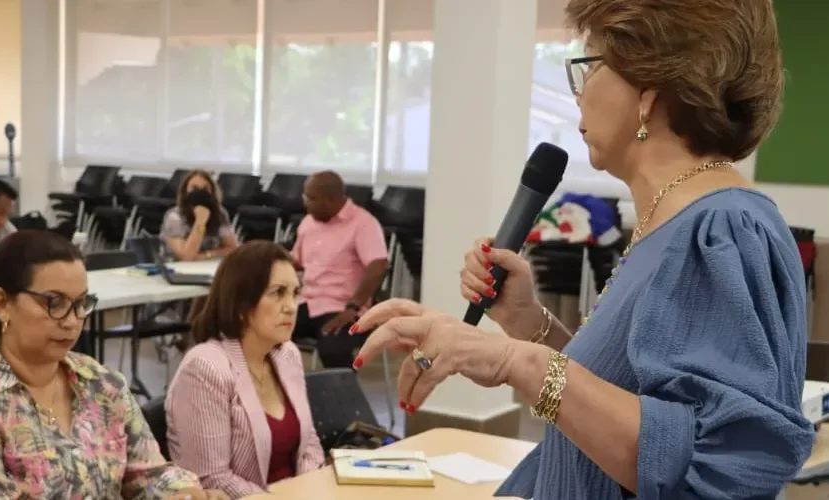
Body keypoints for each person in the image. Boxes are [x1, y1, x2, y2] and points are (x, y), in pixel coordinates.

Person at [348, 1, 815, 498]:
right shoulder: (672, 219)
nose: (578, 95)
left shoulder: (722, 230)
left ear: (647, 93)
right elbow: (632, 404)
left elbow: (714, 465)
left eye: (589, 65)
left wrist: (515, 362)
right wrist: (529, 324)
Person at [0, 230, 224, 499]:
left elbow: (149, 473)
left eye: (81, 303)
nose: (72, 321)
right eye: (55, 303)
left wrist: (184, 493)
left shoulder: (101, 383)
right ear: (2, 304)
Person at [166, 240, 325, 498]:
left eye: (294, 293)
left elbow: (309, 446)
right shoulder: (205, 369)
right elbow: (211, 478)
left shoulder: (287, 355)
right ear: (241, 304)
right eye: (277, 293)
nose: (291, 306)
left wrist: (307, 491)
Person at [291, 170, 388, 368]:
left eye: (310, 198)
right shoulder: (308, 222)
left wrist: (353, 308)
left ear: (331, 199)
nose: (305, 203)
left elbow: (378, 266)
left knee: (333, 349)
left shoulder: (363, 224)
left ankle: (343, 398)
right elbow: (296, 262)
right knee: (258, 331)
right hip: (307, 302)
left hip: (343, 308)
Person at [161, 170, 238, 261]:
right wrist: (200, 220)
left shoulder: (220, 213)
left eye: (205, 189)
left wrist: (206, 255)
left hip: (209, 266)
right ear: (185, 192)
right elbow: (187, 257)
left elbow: (233, 249)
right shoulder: (175, 216)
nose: (200, 193)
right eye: (194, 188)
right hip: (177, 268)